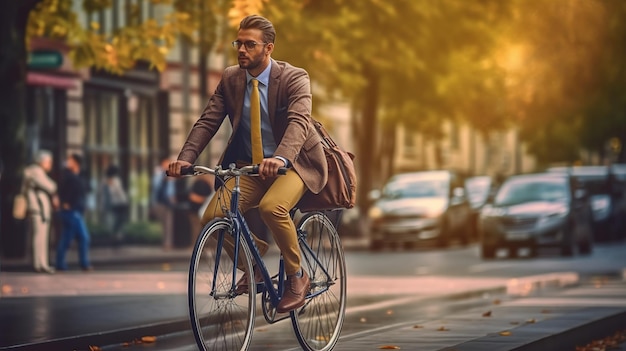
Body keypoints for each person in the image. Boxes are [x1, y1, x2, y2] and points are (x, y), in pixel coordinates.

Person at [168, 15, 328, 313]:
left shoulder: (294, 77)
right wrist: (185, 159)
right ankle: (253, 264)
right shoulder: (231, 78)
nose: (241, 49)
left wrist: (280, 157)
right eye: (238, 43)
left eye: (249, 44)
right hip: (250, 166)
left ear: (268, 48)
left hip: (294, 165)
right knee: (212, 218)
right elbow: (208, 121)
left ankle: (297, 276)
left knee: (272, 208)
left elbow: (298, 123)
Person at [24, 150, 59, 273]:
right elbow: (51, 186)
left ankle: (42, 263)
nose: (50, 164)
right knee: (39, 236)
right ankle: (39, 264)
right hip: (37, 209)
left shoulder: (38, 172)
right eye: (49, 161)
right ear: (42, 161)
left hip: (41, 209)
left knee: (42, 237)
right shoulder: (35, 171)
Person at [56, 153, 92, 271]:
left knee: (81, 237)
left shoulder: (79, 176)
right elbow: (61, 191)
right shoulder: (67, 176)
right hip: (70, 212)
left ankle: (82, 263)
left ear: (76, 163)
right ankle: (63, 264)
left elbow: (85, 190)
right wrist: (64, 203)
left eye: (70, 160)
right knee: (72, 237)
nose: (68, 162)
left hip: (77, 211)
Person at [151, 156, 176, 250]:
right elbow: (155, 187)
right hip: (160, 202)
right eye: (166, 164)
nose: (167, 166)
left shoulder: (170, 175)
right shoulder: (158, 174)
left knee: (168, 224)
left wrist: (172, 197)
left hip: (168, 202)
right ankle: (164, 243)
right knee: (163, 224)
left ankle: (167, 244)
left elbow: (171, 189)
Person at [100, 165, 129, 247]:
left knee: (114, 222)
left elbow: (102, 194)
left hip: (111, 204)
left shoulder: (104, 181)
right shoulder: (115, 180)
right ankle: (117, 239)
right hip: (119, 203)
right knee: (119, 222)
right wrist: (125, 201)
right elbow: (119, 192)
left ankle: (114, 238)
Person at [186, 174, 213, 247]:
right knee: (202, 229)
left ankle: (195, 245)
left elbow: (192, 196)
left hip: (195, 210)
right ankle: (202, 246)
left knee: (195, 229)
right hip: (202, 211)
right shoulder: (207, 185)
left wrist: (196, 198)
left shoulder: (198, 184)